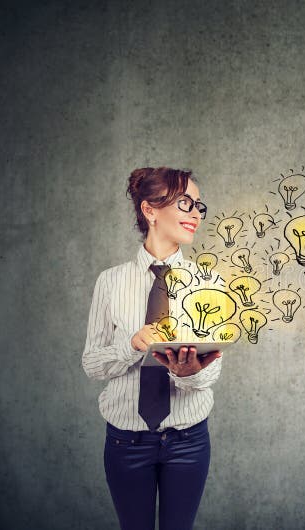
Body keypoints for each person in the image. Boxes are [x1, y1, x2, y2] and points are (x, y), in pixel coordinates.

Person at [82, 167, 223, 530]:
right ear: (150, 210)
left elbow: (213, 371)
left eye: (198, 206)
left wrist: (191, 373)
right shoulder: (110, 282)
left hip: (188, 441)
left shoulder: (208, 281)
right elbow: (93, 364)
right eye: (185, 203)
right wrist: (130, 345)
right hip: (126, 441)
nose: (196, 215)